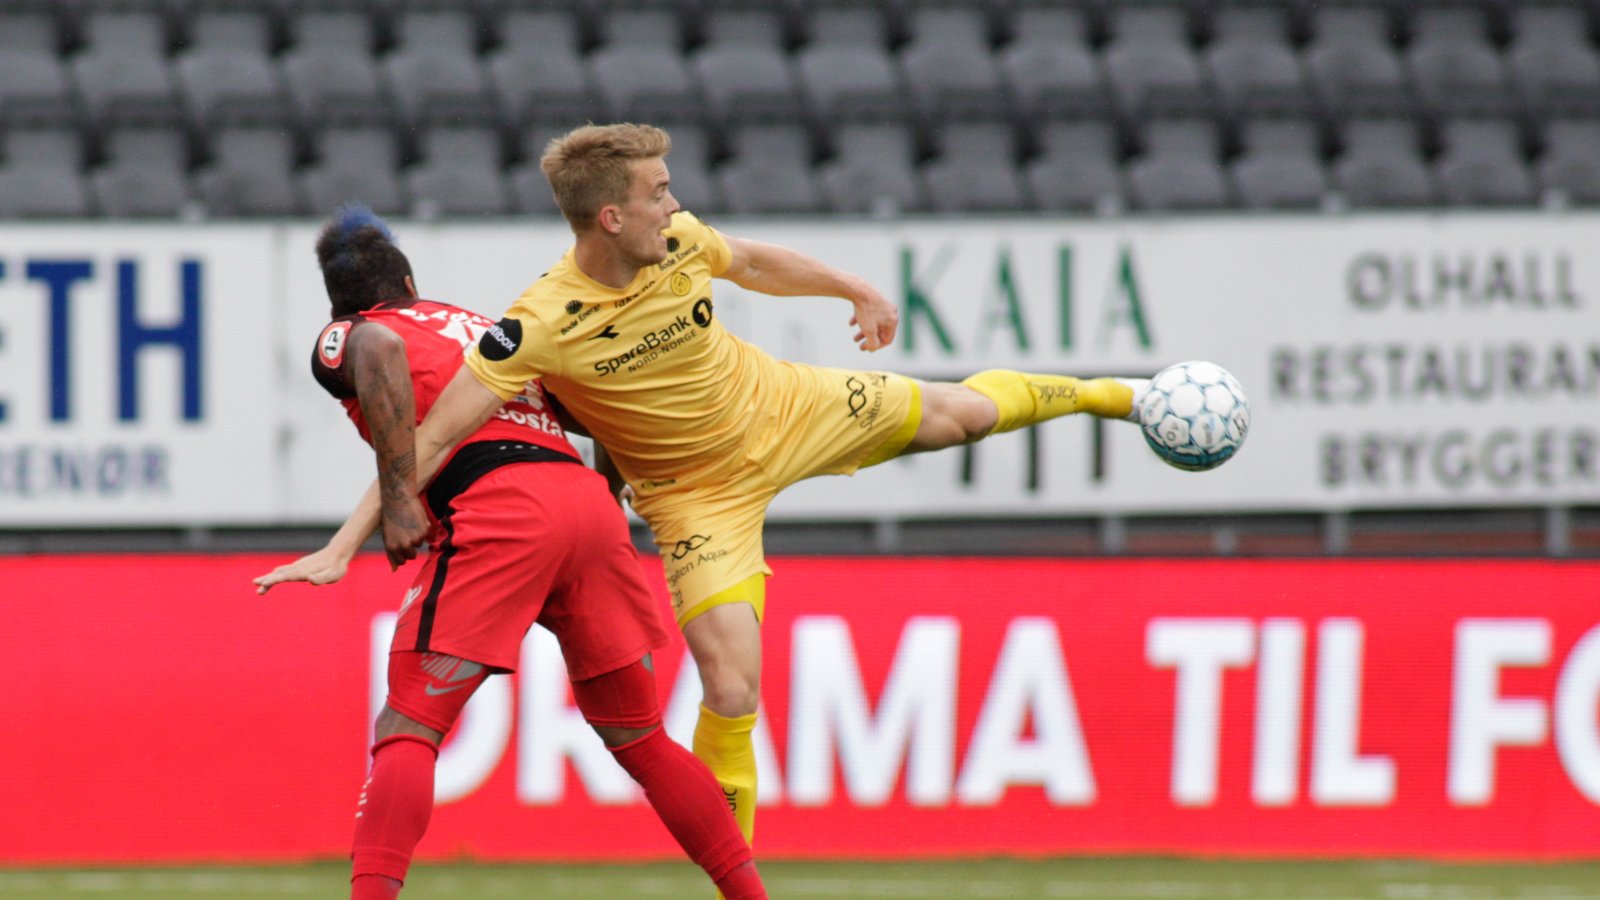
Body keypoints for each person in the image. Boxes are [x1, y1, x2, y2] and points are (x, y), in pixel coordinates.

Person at [269, 124, 1155, 867]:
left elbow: (755, 263)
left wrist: (851, 285)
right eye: (657, 191)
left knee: (962, 416)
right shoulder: (533, 325)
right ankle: (739, 883)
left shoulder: (676, 241)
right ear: (609, 215)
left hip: (782, 405)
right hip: (694, 499)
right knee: (729, 688)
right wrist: (355, 541)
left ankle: (1119, 395)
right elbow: (463, 429)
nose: (673, 201)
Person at [253, 205, 765, 900]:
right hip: (583, 506)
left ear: (339, 300)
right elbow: (600, 394)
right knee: (641, 737)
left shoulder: (351, 333)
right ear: (408, 276)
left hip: (498, 508)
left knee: (409, 727)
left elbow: (377, 352)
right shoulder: (483, 326)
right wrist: (606, 491)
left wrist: (401, 503)